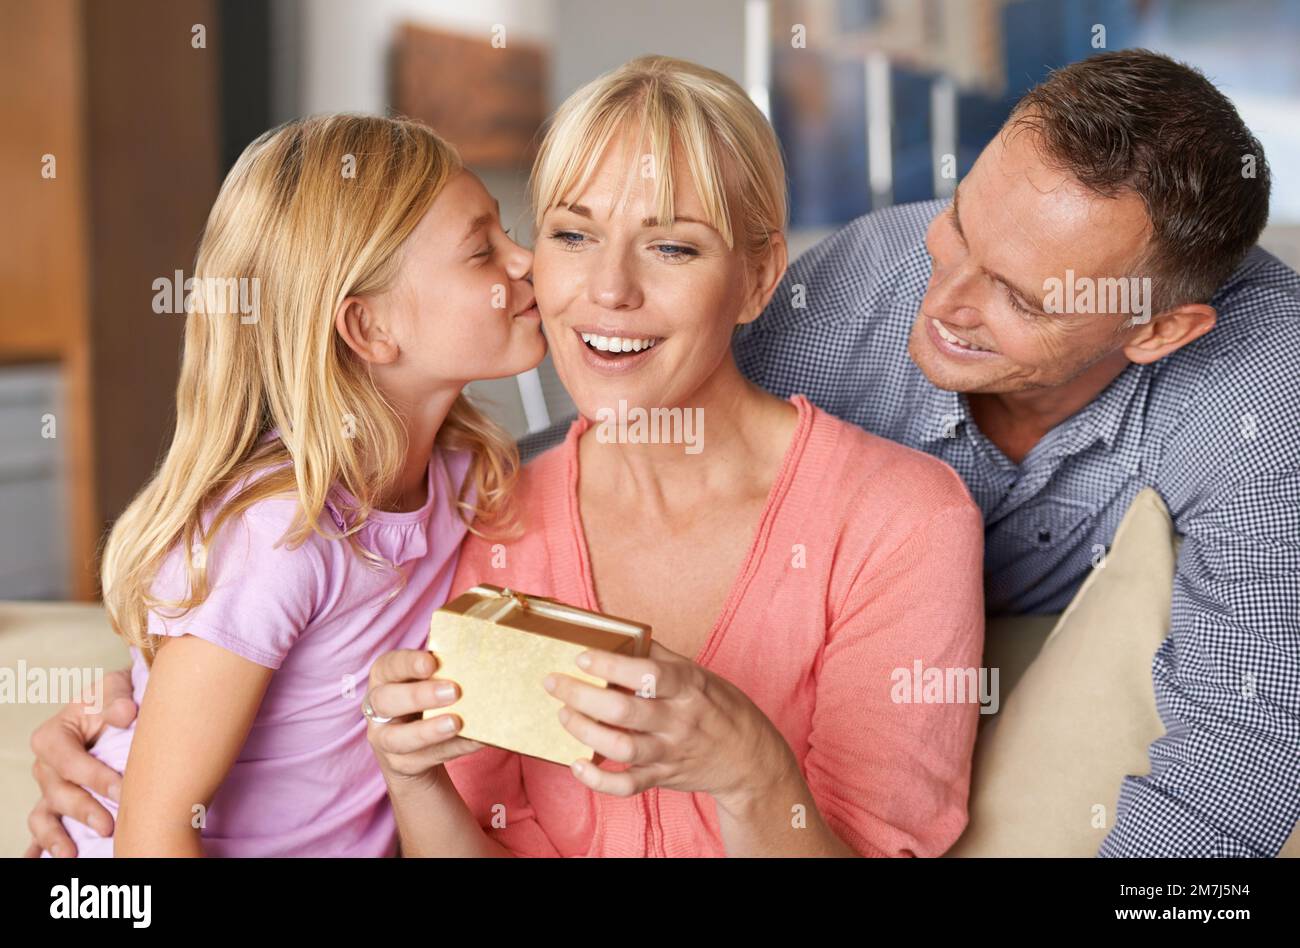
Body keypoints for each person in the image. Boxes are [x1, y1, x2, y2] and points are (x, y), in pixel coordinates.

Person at [519, 49, 1298, 857]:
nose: (946, 302)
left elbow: (1244, 739)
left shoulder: (1265, 396)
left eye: (1020, 297)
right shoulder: (846, 305)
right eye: (957, 225)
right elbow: (623, 420)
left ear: (1160, 330)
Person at [363, 55, 986, 857]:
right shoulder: (494, 514)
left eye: (673, 248)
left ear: (758, 278)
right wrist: (413, 778)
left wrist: (747, 768)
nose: (610, 289)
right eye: (574, 235)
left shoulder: (902, 521)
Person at [31, 114, 544, 855]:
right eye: (481, 251)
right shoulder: (281, 530)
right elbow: (153, 832)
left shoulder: (464, 478)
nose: (525, 261)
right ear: (368, 329)